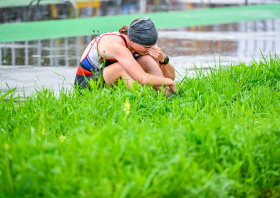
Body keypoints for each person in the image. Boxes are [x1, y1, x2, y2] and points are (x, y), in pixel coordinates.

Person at [74, 17, 176, 97]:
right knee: (121, 68)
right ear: (132, 41)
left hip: (107, 79)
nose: (150, 49)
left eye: (152, 46)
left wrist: (163, 59)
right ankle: (146, 100)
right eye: (146, 47)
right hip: (85, 85)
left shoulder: (145, 43)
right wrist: (168, 82)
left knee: (146, 59)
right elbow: (142, 78)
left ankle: (167, 95)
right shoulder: (117, 45)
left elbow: (169, 77)